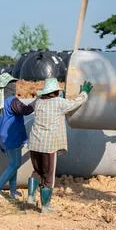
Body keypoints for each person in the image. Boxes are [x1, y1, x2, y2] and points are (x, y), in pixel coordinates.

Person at [26, 77, 93, 213]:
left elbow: (29, 107)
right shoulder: (59, 103)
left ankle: (31, 196)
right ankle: (45, 207)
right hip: (48, 146)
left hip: (34, 144)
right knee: (48, 176)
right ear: (56, 91)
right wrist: (84, 93)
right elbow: (76, 103)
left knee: (37, 171)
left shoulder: (38, 102)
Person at [0, 73, 36, 200]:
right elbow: (25, 110)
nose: (14, 86)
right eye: (12, 84)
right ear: (7, 87)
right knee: (15, 164)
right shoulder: (12, 101)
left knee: (12, 163)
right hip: (13, 136)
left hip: (5, 136)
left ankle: (13, 191)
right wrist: (37, 101)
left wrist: (0, 137)